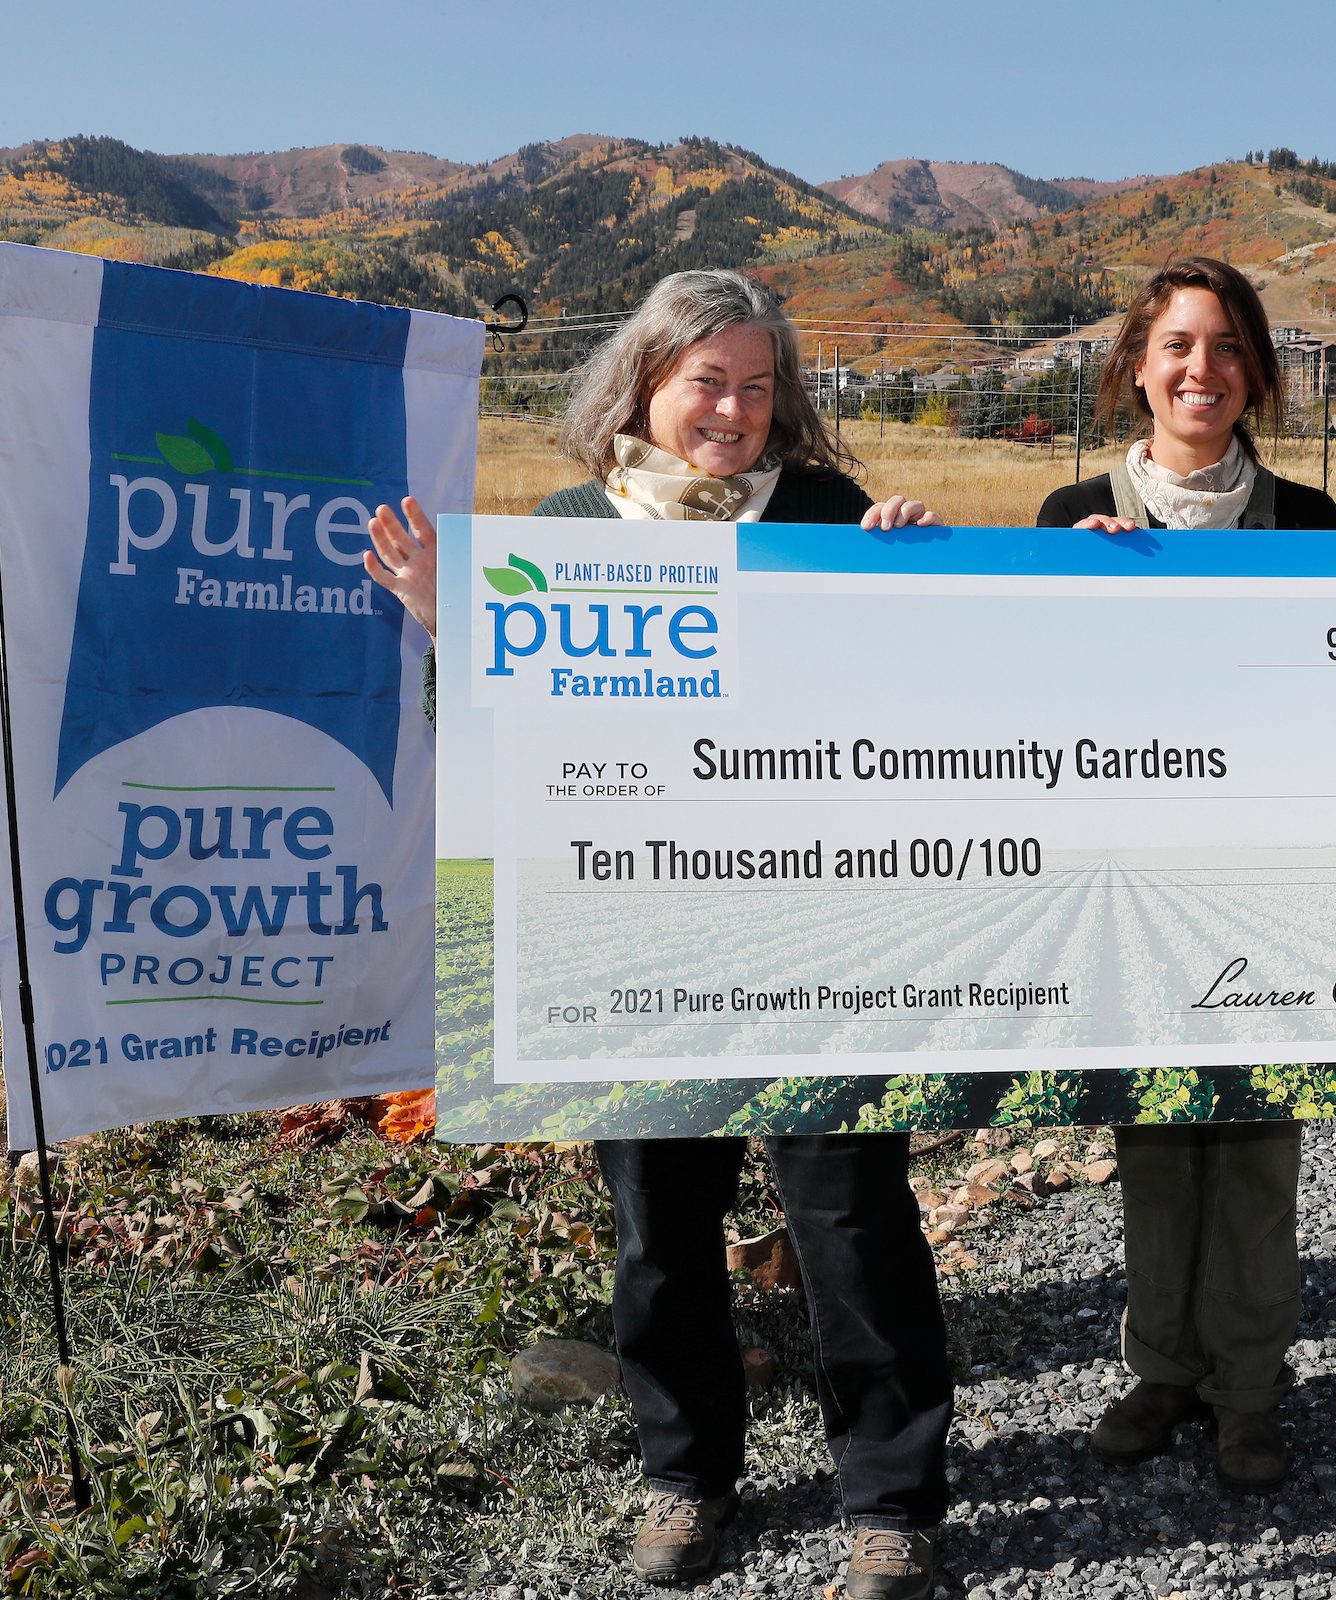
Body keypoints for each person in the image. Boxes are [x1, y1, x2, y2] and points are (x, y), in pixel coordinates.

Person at [365, 269, 950, 1599]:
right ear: (643, 387)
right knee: (659, 1226)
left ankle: (892, 1503)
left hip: (814, 929)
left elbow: (917, 692)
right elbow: (508, 732)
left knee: (850, 1217)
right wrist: (453, 622)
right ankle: (688, 1480)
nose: (734, 410)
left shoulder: (829, 515)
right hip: (635, 937)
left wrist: (912, 565)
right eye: (708, 382)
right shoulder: (568, 531)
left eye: (756, 386)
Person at [1036, 257, 1336, 1496]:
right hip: (1131, 883)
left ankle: (1250, 1387)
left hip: (1265, 881)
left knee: (1254, 1141)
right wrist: (1063, 591)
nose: (1203, 370)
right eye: (1180, 346)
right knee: (1152, 1137)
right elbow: (1023, 696)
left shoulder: (1307, 519)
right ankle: (1162, 1370)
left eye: (1229, 349)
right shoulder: (1068, 512)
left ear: (1257, 376)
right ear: (1136, 366)